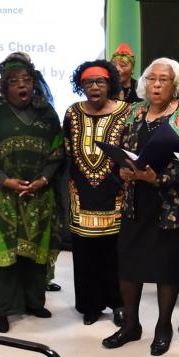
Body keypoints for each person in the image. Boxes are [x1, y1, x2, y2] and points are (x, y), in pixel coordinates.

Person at [103, 59, 179, 356]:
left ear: (176, 85)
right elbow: (118, 145)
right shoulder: (133, 110)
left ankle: (163, 327)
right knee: (129, 264)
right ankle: (131, 325)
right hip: (135, 201)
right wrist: (119, 168)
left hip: (170, 203)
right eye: (152, 79)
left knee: (165, 268)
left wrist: (158, 178)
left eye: (164, 80)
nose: (156, 85)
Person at [0, 52, 64, 333]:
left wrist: (43, 180)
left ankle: (34, 302)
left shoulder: (47, 113)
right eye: (14, 81)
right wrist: (4, 180)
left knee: (35, 255)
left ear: (34, 83)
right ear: (4, 86)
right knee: (2, 255)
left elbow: (57, 152)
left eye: (27, 79)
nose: (22, 85)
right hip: (1, 196)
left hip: (38, 196)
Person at [62, 60, 129, 326]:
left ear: (110, 83)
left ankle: (118, 303)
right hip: (81, 193)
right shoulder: (72, 112)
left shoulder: (127, 112)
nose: (94, 87)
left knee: (115, 253)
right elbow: (67, 150)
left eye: (100, 82)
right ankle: (90, 305)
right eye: (88, 82)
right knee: (85, 252)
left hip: (116, 193)